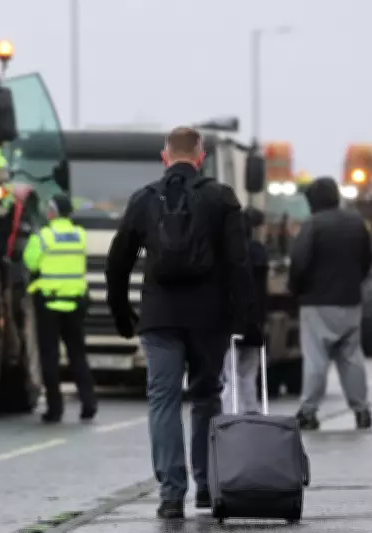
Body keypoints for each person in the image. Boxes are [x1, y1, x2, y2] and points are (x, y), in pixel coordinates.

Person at [105, 126, 261, 520]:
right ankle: (207, 485)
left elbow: (118, 262)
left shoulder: (144, 199)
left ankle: (171, 494)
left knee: (163, 399)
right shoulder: (221, 198)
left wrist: (122, 313)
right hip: (209, 317)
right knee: (207, 395)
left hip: (159, 317)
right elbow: (239, 263)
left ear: (165, 157)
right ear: (200, 156)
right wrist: (248, 319)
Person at [289, 176, 372, 431]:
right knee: (351, 357)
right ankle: (361, 410)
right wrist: (354, 282)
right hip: (350, 301)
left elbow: (299, 262)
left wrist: (296, 289)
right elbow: (367, 259)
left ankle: (308, 411)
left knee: (316, 357)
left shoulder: (313, 225)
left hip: (317, 303)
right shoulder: (357, 223)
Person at [23, 193, 97, 424]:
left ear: (52, 212)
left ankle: (55, 409)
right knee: (78, 354)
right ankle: (89, 404)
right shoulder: (80, 235)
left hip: (49, 303)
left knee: (50, 356)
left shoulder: (43, 237)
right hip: (75, 302)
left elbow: (30, 262)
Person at [221, 207, 269, 414]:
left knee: (230, 374)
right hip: (255, 320)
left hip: (231, 320)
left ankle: (230, 413)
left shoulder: (225, 252)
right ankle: (251, 410)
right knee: (249, 371)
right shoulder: (259, 252)